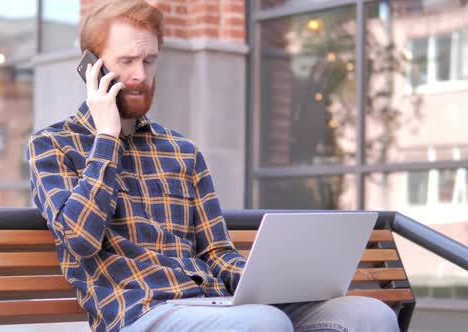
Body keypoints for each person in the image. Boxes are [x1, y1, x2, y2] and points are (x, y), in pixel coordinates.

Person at [26, 1, 400, 331]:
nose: (140, 74)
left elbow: (217, 253)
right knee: (263, 322)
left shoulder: (182, 151)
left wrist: (274, 282)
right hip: (139, 313)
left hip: (213, 305)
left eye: (149, 60)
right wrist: (106, 137)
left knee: (368, 315)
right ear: (92, 67)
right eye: (126, 61)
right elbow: (80, 239)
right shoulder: (52, 145)